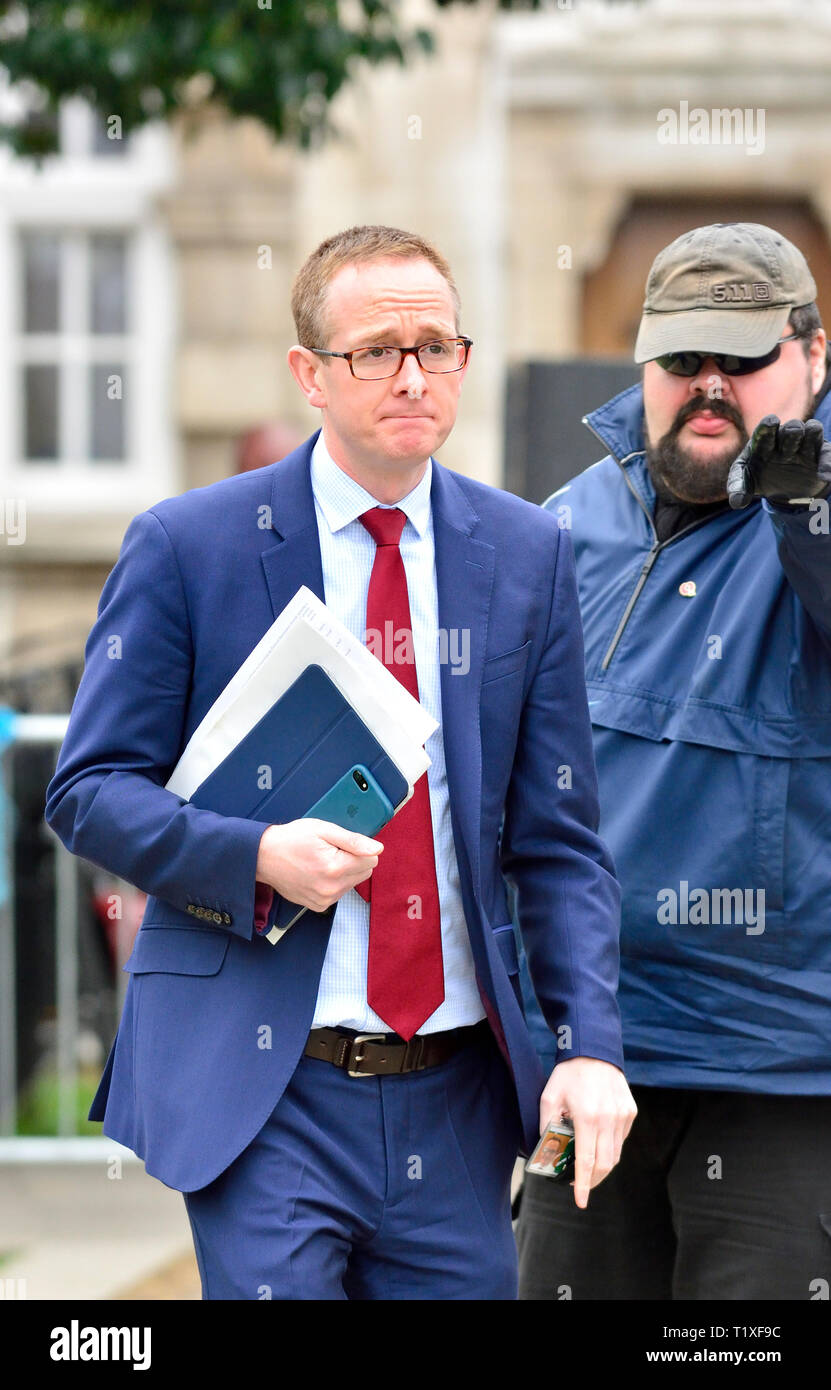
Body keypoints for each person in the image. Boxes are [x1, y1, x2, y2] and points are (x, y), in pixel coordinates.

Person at [45, 224, 635, 1301]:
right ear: (309, 374)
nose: (412, 375)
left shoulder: (525, 552)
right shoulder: (191, 545)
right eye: (376, 350)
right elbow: (86, 794)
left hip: (457, 1095)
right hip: (267, 1086)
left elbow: (559, 842)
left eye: (436, 346)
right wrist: (256, 852)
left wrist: (589, 1045)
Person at [516, 221, 831, 1301]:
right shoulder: (566, 521)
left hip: (781, 1075)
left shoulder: (818, 507)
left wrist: (810, 510)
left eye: (742, 361)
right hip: (595, 1056)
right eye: (681, 359)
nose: (709, 385)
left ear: (814, 356)